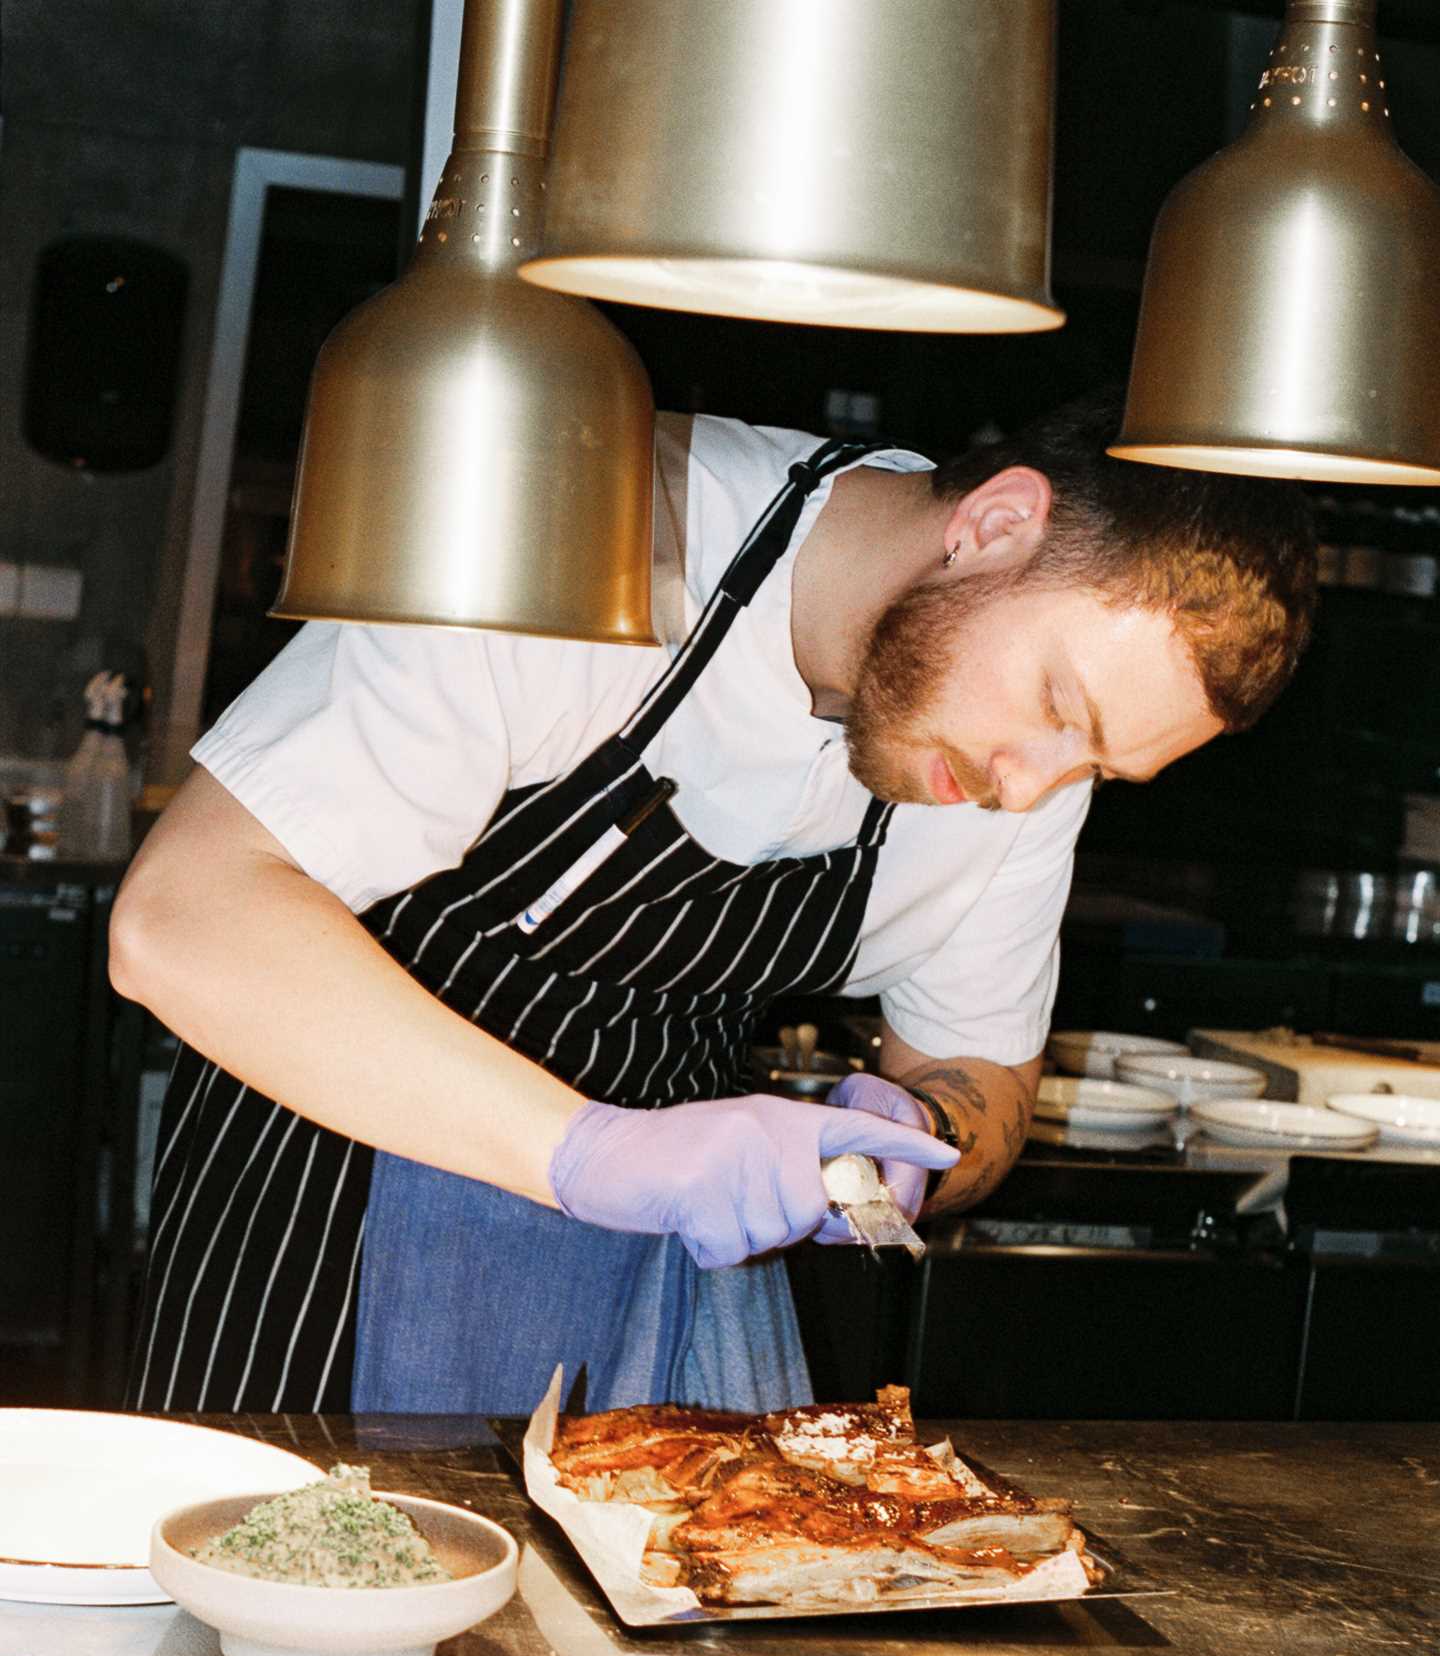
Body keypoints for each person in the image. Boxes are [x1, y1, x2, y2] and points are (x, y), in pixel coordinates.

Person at [111, 386, 1316, 1417]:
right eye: (1061, 708)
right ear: (994, 524)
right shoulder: (603, 521)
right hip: (337, 1218)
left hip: (660, 1294)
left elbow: (986, 1082)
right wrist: (591, 1149)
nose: (1030, 787)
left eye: (1097, 768)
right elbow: (182, 915)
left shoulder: (1023, 772)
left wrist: (915, 1139)